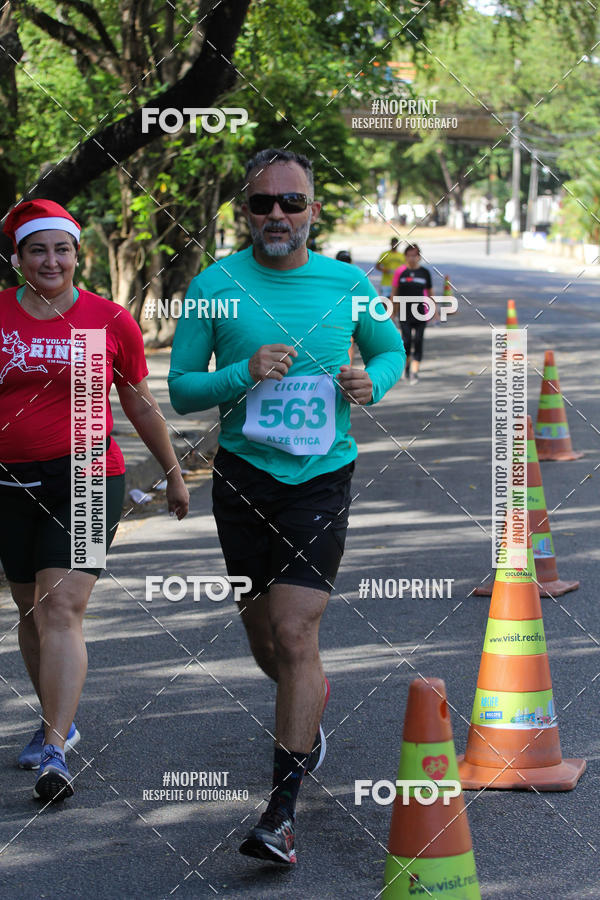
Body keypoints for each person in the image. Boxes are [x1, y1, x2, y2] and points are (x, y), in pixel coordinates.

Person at [169, 148, 405, 866]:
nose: (277, 215)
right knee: (266, 641)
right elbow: (180, 389)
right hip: (243, 478)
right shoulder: (214, 285)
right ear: (245, 211)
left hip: (321, 477)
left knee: (297, 634)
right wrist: (241, 373)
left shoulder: (347, 283)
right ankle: (308, 705)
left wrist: (374, 383)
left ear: (314, 211)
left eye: (291, 203)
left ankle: (281, 813)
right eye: (262, 203)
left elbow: (389, 350)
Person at [0, 199, 189, 803]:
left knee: (61, 609)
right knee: (29, 608)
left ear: (78, 255)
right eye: (38, 249)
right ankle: (60, 718)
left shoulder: (108, 319)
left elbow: (137, 402)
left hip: (86, 474)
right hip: (9, 480)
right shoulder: (0, 315)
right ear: (18, 258)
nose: (51, 260)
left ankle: (56, 748)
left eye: (62, 248)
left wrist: (174, 472)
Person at [391, 243, 434, 383]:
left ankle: (415, 372)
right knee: (407, 341)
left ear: (419, 257)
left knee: (419, 341)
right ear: (405, 256)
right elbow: (394, 293)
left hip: (421, 313)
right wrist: (392, 313)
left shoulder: (425, 273)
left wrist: (435, 311)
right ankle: (406, 368)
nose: (412, 258)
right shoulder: (400, 272)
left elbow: (430, 293)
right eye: (409, 255)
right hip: (404, 313)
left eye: (415, 255)